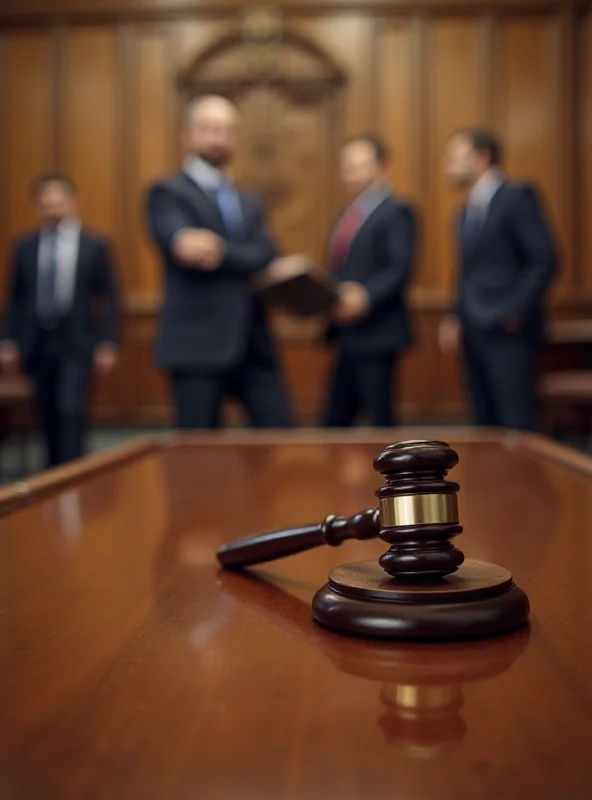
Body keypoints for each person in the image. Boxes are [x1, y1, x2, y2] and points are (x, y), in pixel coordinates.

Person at [146, 95, 291, 429]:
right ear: (189, 134)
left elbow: (268, 255)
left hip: (254, 344)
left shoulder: (248, 200)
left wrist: (222, 251)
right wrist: (245, 255)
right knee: (200, 460)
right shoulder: (167, 193)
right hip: (197, 346)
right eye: (210, 129)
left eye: (226, 131)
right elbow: (189, 250)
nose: (219, 139)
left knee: (282, 440)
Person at [439, 129, 558, 431]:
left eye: (455, 157)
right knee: (484, 423)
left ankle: (523, 481)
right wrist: (455, 315)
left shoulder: (516, 196)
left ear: (482, 158)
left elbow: (544, 258)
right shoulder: (465, 211)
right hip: (473, 330)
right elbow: (467, 272)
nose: (447, 165)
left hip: (508, 332)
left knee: (515, 422)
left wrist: (514, 309)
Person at [0, 173, 120, 467]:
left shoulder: (95, 244)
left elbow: (111, 297)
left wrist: (108, 341)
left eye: (59, 199)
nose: (52, 206)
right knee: (47, 416)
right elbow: (15, 299)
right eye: (46, 201)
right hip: (37, 343)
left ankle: (73, 475)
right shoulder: (25, 246)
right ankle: (53, 479)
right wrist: (8, 340)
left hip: (77, 342)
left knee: (71, 411)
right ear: (38, 205)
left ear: (73, 202)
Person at [322, 135, 417, 427]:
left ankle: (394, 475)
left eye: (357, 166)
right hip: (346, 332)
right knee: (334, 421)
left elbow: (399, 268)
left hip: (378, 331)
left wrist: (365, 296)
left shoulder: (397, 211)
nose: (349, 174)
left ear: (380, 167)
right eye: (346, 167)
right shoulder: (349, 213)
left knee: (380, 419)